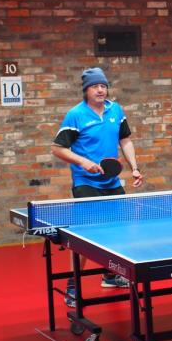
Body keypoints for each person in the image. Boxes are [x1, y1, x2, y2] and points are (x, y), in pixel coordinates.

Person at [51, 67, 143, 307]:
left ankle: (110, 275)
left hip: (111, 181)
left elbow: (125, 140)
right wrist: (83, 162)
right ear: (86, 90)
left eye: (103, 86)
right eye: (95, 86)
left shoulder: (116, 110)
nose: (100, 90)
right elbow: (57, 149)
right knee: (85, 236)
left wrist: (134, 167)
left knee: (118, 229)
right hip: (86, 183)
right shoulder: (76, 115)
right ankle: (73, 285)